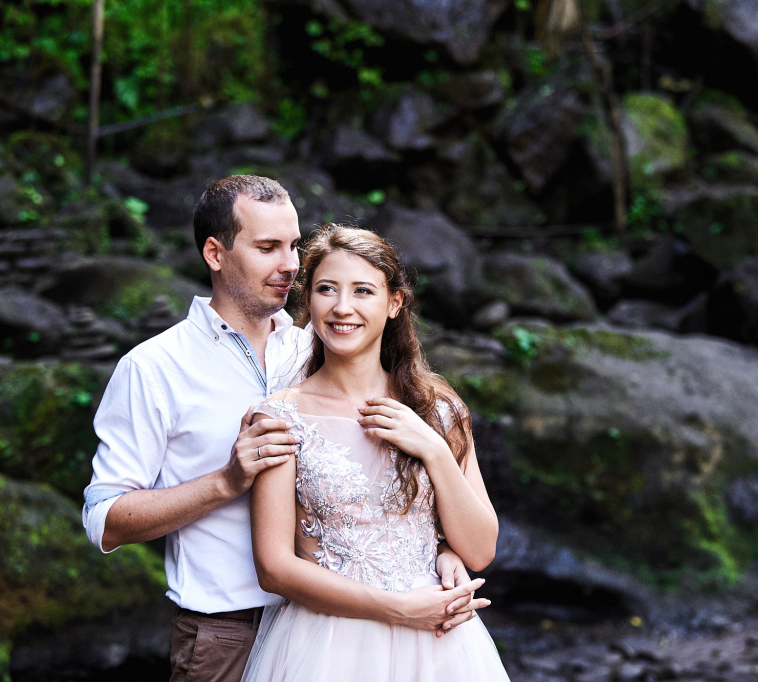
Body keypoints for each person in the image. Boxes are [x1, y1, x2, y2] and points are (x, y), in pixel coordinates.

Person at [82, 176, 486, 682]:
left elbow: (382, 497)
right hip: (227, 631)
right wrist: (224, 482)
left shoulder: (319, 346)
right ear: (215, 253)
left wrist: (439, 548)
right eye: (268, 247)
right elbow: (105, 519)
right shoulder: (154, 368)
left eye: (294, 245)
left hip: (347, 628)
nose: (290, 264)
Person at [241, 225, 510, 681]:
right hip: (329, 645)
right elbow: (274, 568)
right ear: (309, 300)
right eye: (327, 289)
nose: (342, 307)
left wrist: (433, 449)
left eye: (362, 291)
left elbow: (481, 550)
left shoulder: (438, 409)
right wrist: (398, 608)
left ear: (394, 302)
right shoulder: (281, 416)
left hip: (439, 645)